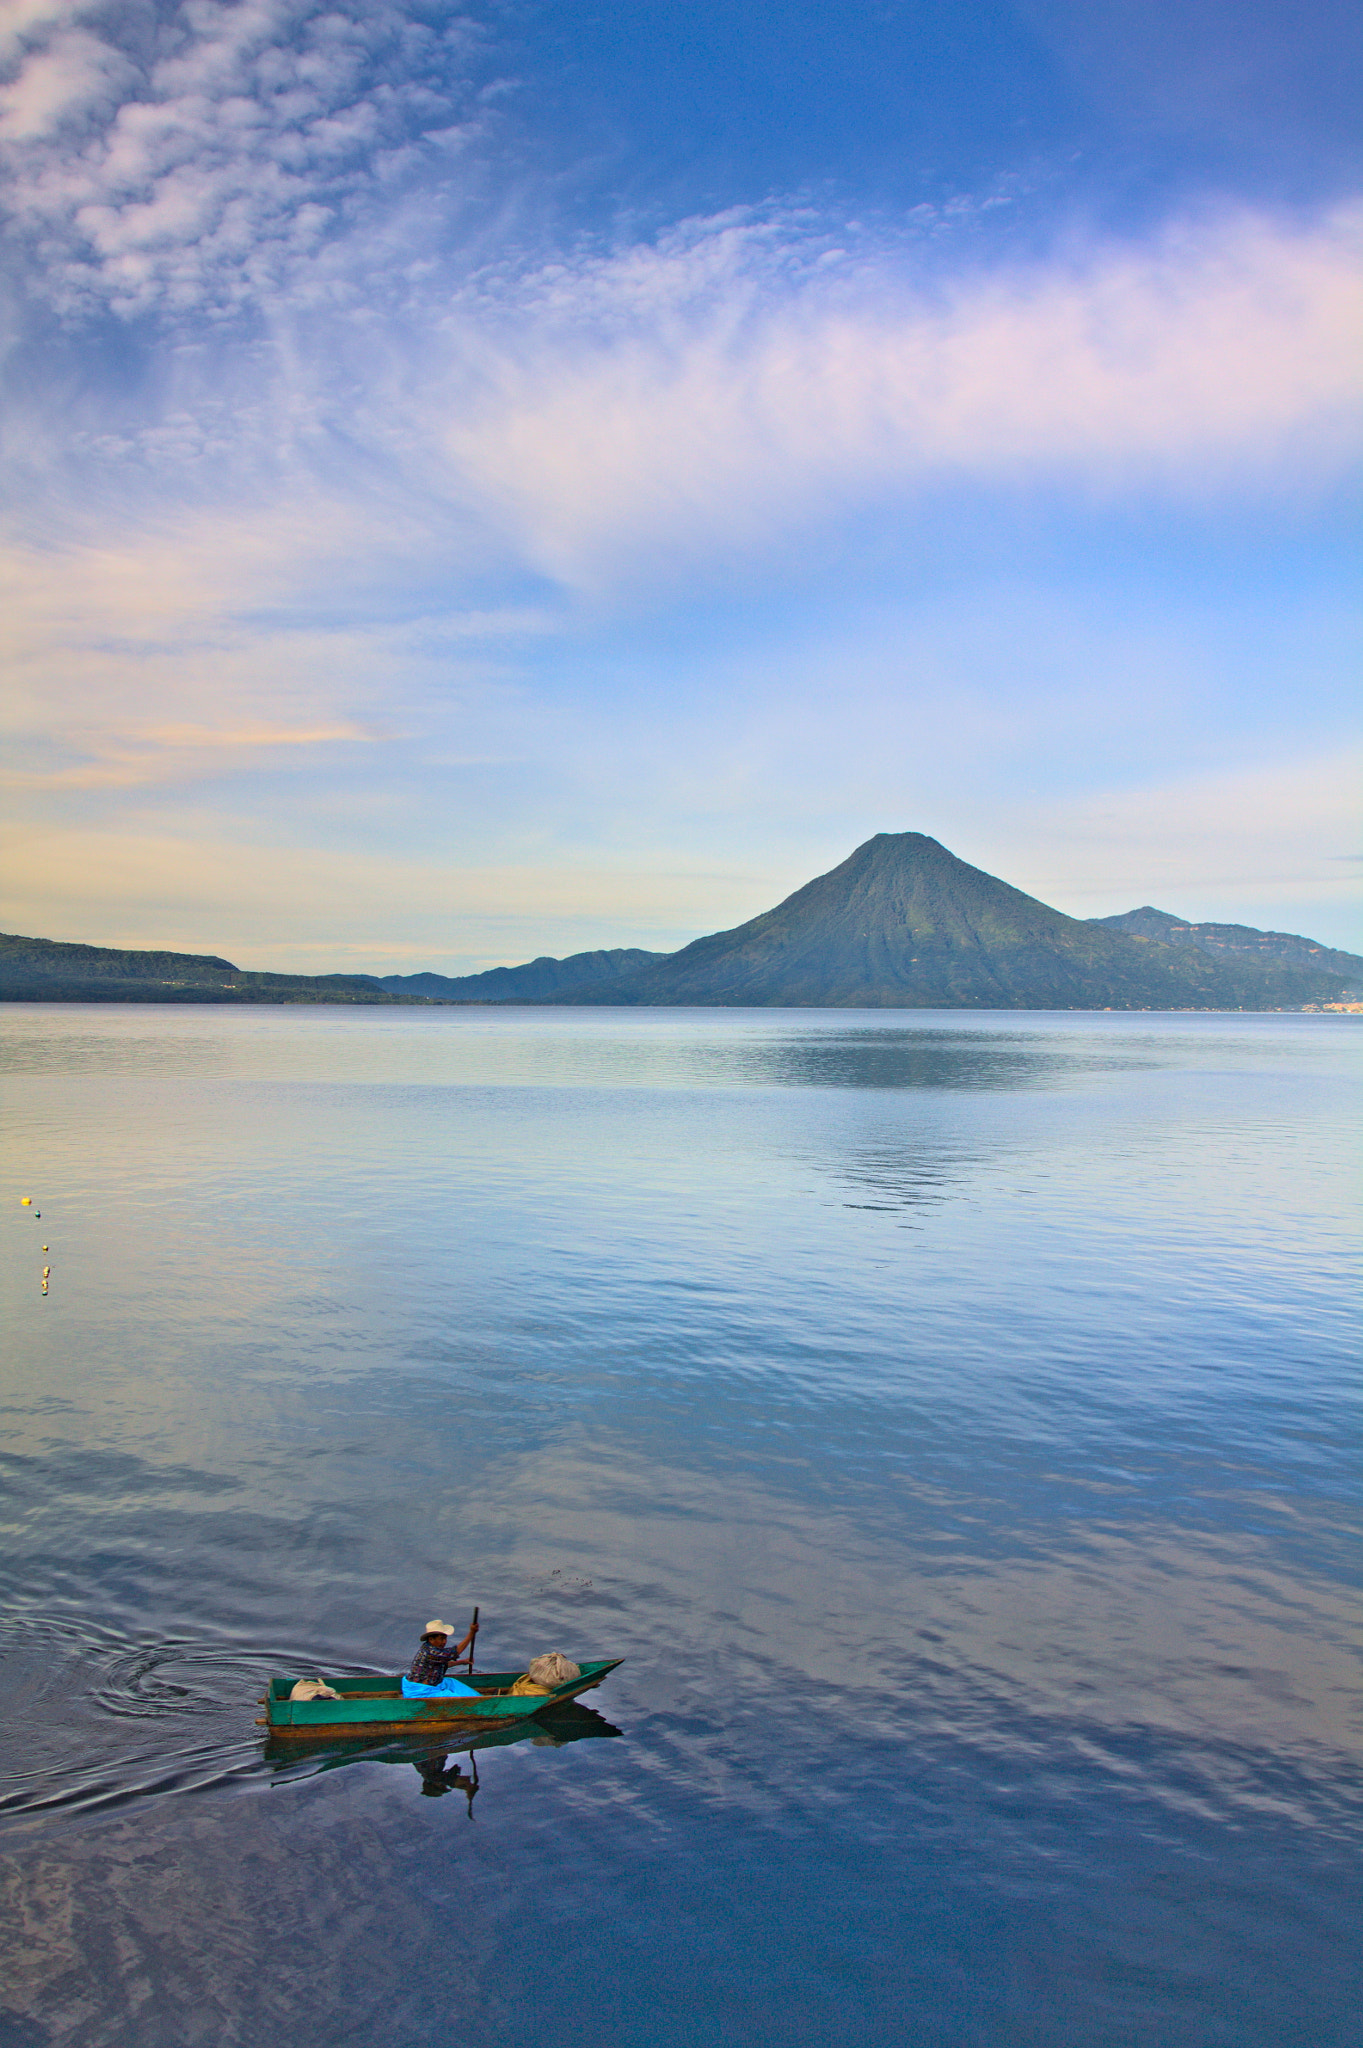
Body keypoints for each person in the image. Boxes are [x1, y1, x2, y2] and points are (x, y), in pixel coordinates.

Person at [401, 1618, 480, 1699]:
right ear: (431, 1639)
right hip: (422, 1692)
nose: (444, 1642)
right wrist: (471, 1633)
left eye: (445, 1638)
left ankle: (479, 1699)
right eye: (441, 1639)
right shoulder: (431, 1652)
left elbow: (443, 1663)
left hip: (435, 1684)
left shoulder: (435, 1651)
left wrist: (462, 1662)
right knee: (457, 1699)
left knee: (452, 1683)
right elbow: (455, 1652)